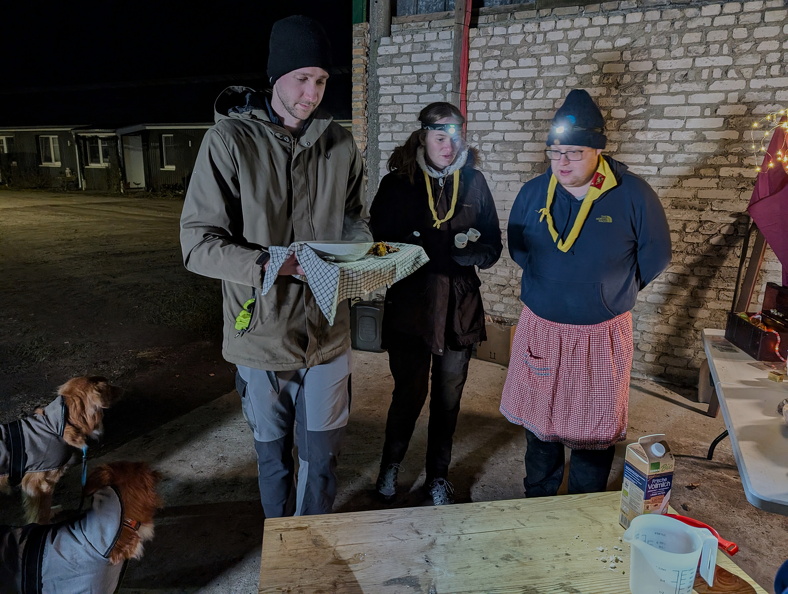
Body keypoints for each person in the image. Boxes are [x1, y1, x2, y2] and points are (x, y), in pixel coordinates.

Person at [179, 15, 371, 518]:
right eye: (301, 79)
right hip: (262, 335)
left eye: (321, 80)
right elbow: (197, 244)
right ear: (275, 77)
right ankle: (280, 542)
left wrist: (360, 252)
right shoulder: (229, 141)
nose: (312, 93)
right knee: (274, 460)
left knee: (322, 459)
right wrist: (272, 263)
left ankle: (310, 546)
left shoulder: (340, 143)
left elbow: (355, 218)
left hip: (328, 332)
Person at [500, 89, 672, 498]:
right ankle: (538, 498)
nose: (562, 162)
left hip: (600, 335)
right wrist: (550, 285)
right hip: (542, 329)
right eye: (555, 152)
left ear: (598, 151)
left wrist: (610, 292)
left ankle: (584, 504)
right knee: (540, 426)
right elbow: (519, 248)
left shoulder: (633, 195)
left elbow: (656, 256)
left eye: (574, 153)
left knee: (593, 432)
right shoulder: (533, 192)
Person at [370, 102, 502, 506]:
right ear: (423, 138)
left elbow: (493, 243)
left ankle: (438, 477)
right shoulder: (397, 184)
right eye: (440, 137)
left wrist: (475, 254)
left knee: (448, 400)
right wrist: (402, 251)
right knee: (408, 395)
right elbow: (376, 243)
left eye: (455, 137)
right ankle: (390, 465)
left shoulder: (474, 182)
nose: (448, 146)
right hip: (412, 307)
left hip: (459, 309)